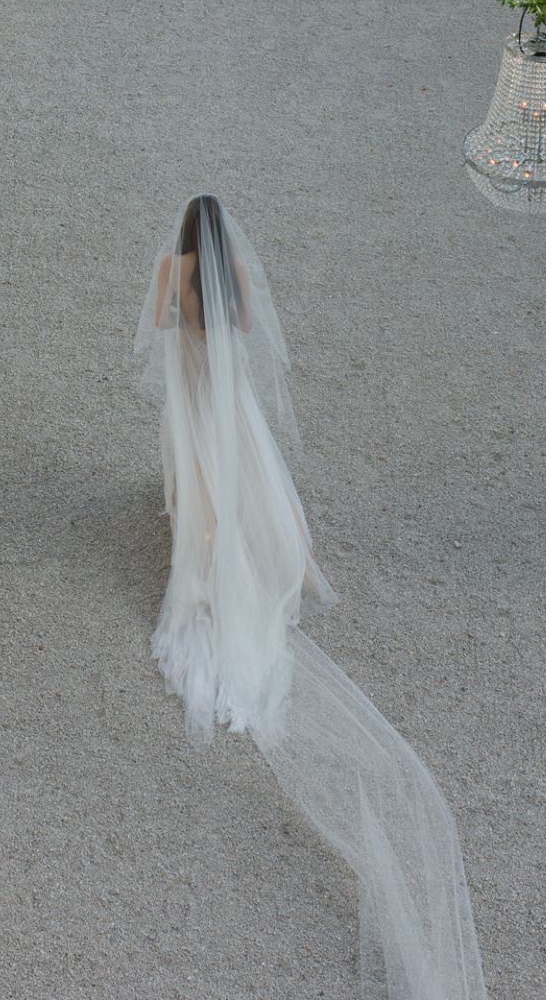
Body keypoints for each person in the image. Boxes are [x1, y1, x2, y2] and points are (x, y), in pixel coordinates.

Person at [137, 199, 487, 1000]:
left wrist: (189, 335)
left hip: (194, 403)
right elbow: (252, 331)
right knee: (264, 496)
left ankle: (213, 557)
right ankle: (278, 564)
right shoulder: (232, 276)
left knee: (204, 500)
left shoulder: (172, 272)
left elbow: (160, 329)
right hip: (230, 403)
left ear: (183, 239)